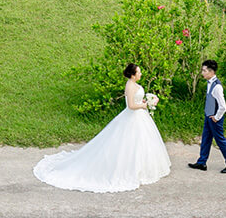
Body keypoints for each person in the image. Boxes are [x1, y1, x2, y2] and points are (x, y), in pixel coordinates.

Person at [34, 63, 171, 192]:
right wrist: (143, 105)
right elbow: (130, 105)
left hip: (140, 117)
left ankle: (144, 168)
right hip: (133, 116)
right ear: (133, 75)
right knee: (129, 144)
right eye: (139, 72)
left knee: (142, 143)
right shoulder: (129, 86)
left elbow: (136, 100)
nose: (141, 73)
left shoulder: (135, 84)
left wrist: (144, 101)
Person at [187, 59, 226, 174]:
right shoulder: (209, 83)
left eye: (204, 71)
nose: (202, 73)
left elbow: (223, 106)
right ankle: (202, 162)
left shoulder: (217, 87)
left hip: (215, 118)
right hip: (208, 116)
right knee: (206, 138)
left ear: (211, 72)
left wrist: (216, 117)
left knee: (220, 140)